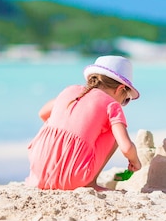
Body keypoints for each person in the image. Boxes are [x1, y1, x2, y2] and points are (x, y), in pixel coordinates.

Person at [26, 55, 143, 190]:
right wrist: (135, 162)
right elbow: (126, 147)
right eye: (126, 99)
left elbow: (43, 114)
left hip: (38, 173)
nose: (123, 103)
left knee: (52, 123)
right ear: (120, 89)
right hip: (73, 178)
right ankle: (90, 182)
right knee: (114, 131)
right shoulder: (111, 105)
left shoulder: (70, 91)